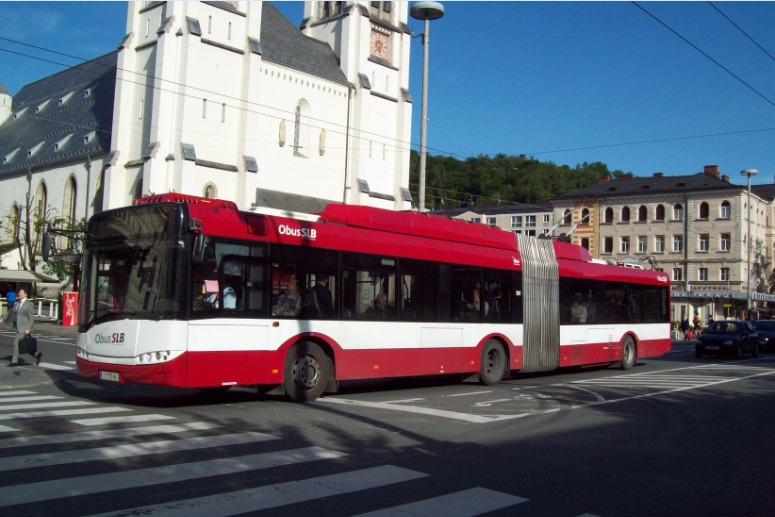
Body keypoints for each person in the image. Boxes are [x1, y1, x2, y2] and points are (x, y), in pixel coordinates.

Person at [1, 287, 41, 367]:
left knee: (16, 342)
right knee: (23, 345)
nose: (19, 293)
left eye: (20, 292)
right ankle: (36, 354)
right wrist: (2, 319)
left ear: (25, 294)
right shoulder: (18, 303)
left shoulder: (29, 304)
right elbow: (10, 312)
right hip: (19, 327)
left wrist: (28, 329)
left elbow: (31, 318)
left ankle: (14, 361)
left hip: (24, 328)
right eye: (19, 292)